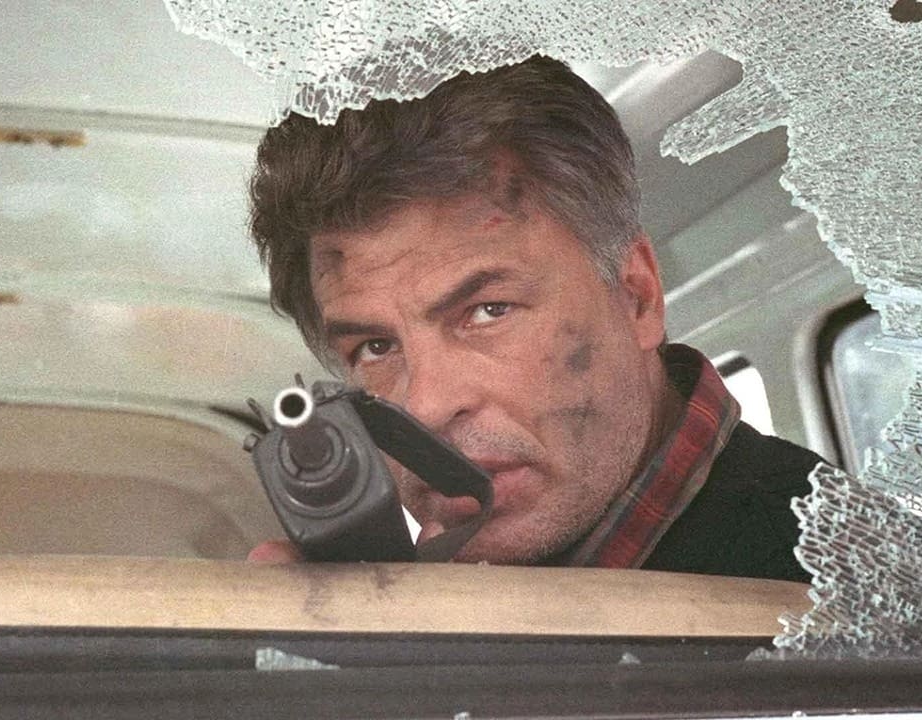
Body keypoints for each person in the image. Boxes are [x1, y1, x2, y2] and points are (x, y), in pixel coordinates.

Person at [245, 56, 824, 581]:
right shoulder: (441, 588)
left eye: (488, 311)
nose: (424, 408)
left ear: (637, 296)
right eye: (375, 348)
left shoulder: (842, 583)